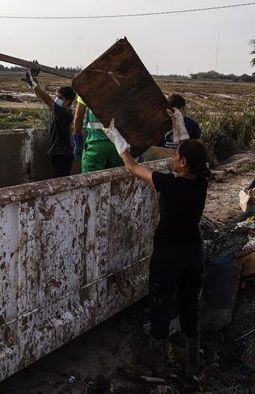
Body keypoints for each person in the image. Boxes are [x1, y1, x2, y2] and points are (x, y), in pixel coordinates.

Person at [103, 110, 208, 377]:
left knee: (161, 306)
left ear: (183, 163)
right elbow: (191, 152)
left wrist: (118, 140)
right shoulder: (201, 183)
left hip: (168, 256)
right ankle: (191, 364)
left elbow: (132, 167)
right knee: (189, 306)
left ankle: (157, 365)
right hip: (193, 253)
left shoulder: (169, 184)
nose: (171, 158)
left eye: (175, 156)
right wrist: (179, 124)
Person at [23, 70, 76, 178]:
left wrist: (35, 83)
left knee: (61, 182)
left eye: (60, 98)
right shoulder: (60, 110)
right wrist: (35, 84)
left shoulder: (65, 113)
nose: (57, 99)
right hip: (59, 153)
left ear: (68, 101)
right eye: (57, 96)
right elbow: (43, 99)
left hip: (63, 155)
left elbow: (48, 100)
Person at [73, 97, 124, 173]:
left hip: (95, 146)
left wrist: (78, 143)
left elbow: (78, 118)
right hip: (119, 146)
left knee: (91, 181)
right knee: (117, 179)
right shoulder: (123, 87)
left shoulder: (87, 88)